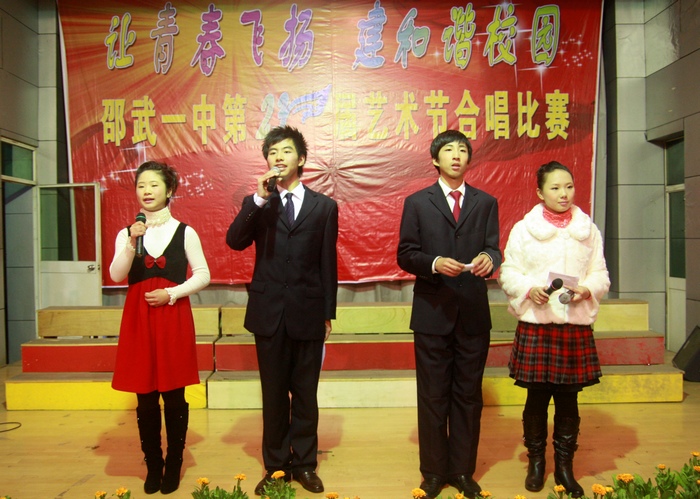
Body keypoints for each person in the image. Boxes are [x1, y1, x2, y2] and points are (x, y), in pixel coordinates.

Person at [226, 125, 338, 496]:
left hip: (308, 311)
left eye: (286, 151)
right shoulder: (259, 203)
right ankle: (275, 467)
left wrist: (328, 313)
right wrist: (258, 200)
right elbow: (235, 241)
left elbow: (327, 264)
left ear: (301, 158)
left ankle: (305, 465)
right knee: (273, 395)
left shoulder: (324, 207)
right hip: (269, 312)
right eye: (272, 152)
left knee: (305, 394)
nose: (278, 157)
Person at [397, 129, 502, 499]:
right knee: (432, 395)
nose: (456, 155)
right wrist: (435, 263)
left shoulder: (485, 202)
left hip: (472, 313)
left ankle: (462, 471)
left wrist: (490, 258)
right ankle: (432, 472)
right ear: (435, 160)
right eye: (449, 150)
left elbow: (494, 248)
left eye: (462, 150)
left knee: (468, 395)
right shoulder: (417, 202)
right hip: (432, 312)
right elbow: (406, 253)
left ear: (469, 159)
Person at [498, 161, 610, 498]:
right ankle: (535, 462)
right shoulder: (524, 229)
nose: (564, 194)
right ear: (540, 192)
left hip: (573, 325)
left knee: (568, 399)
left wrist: (586, 290)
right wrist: (528, 289)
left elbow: (600, 273)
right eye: (555, 188)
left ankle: (564, 467)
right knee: (536, 398)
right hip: (538, 322)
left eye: (569, 186)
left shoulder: (588, 230)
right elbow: (508, 272)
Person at [110, 161, 210, 495]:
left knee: (174, 394)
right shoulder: (128, 233)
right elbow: (116, 274)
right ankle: (153, 464)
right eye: (141, 185)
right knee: (145, 397)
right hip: (138, 319)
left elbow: (203, 275)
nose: (147, 191)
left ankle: (175, 463)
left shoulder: (185, 231)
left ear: (169, 190)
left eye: (154, 184)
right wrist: (130, 241)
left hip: (172, 316)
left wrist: (172, 293)